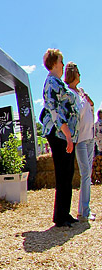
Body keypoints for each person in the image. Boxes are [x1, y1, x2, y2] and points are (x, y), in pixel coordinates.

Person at [39, 49, 78, 228]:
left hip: (63, 134)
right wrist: (68, 135)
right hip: (59, 134)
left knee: (67, 173)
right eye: (61, 62)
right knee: (63, 173)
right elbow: (54, 111)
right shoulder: (52, 83)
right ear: (54, 63)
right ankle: (60, 216)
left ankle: (64, 213)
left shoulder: (57, 82)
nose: (63, 65)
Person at [64, 62, 95, 221]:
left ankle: (84, 209)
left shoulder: (81, 92)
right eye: (78, 72)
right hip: (81, 139)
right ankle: (84, 211)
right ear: (73, 74)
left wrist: (91, 103)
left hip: (90, 137)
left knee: (87, 174)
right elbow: (77, 113)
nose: (80, 75)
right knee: (85, 174)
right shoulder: (71, 93)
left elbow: (90, 110)